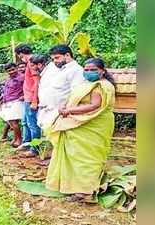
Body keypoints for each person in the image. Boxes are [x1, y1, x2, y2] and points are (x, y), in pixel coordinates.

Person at [44, 58, 116, 202]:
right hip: (80, 123)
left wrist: (69, 111)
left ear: (102, 71)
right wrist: (66, 108)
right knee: (75, 155)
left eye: (93, 70)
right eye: (86, 70)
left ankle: (85, 190)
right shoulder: (86, 84)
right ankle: (72, 185)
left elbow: (94, 106)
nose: (89, 72)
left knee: (87, 158)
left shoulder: (101, 86)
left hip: (95, 125)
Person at [37, 44, 84, 130]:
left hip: (62, 113)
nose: (54, 61)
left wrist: (67, 110)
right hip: (49, 111)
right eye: (53, 59)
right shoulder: (57, 68)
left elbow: (76, 93)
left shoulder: (76, 70)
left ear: (67, 55)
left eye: (57, 58)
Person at [14, 44, 41, 157]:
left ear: (21, 54)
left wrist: (34, 100)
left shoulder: (31, 62)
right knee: (26, 122)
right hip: (28, 97)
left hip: (31, 98)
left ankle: (34, 149)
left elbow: (36, 82)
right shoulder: (31, 61)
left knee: (32, 124)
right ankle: (27, 144)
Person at [0, 63, 25, 147]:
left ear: (16, 68)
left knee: (14, 121)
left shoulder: (21, 78)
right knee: (11, 122)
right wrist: (1, 98)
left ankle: (19, 140)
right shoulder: (9, 79)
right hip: (8, 101)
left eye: (13, 69)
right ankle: (15, 138)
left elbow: (27, 87)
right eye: (9, 71)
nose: (12, 72)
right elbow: (6, 91)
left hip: (16, 101)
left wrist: (24, 96)